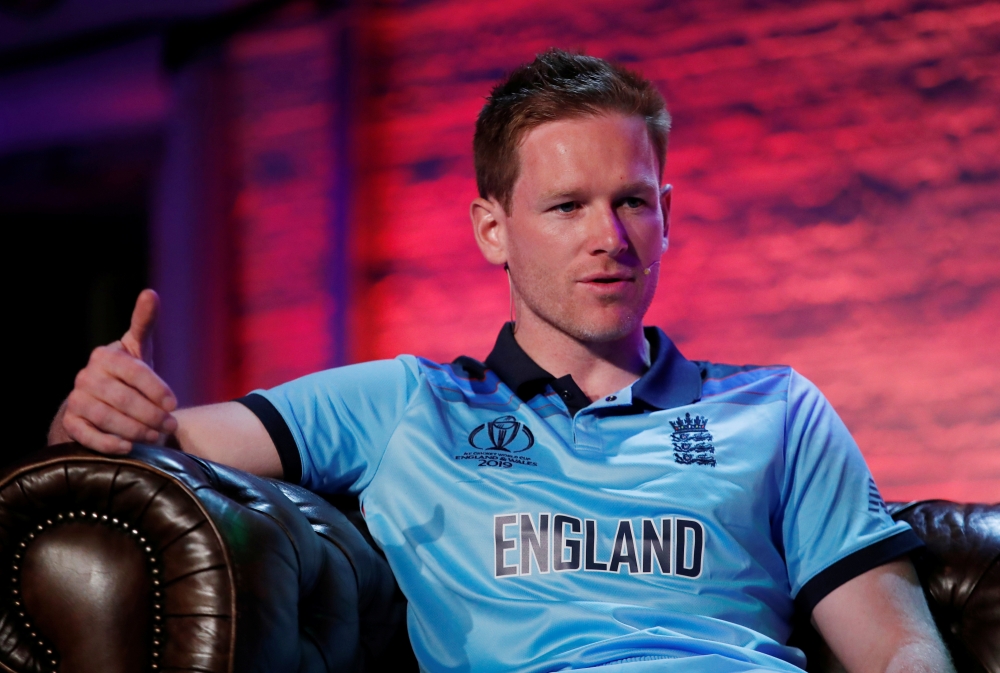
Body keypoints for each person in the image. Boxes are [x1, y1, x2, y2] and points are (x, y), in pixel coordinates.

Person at [50, 50, 954, 673]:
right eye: (566, 206)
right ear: (494, 228)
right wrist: (97, 413)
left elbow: (898, 647)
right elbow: (151, 446)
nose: (610, 238)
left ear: (667, 213)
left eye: (633, 201)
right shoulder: (407, 403)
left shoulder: (781, 409)